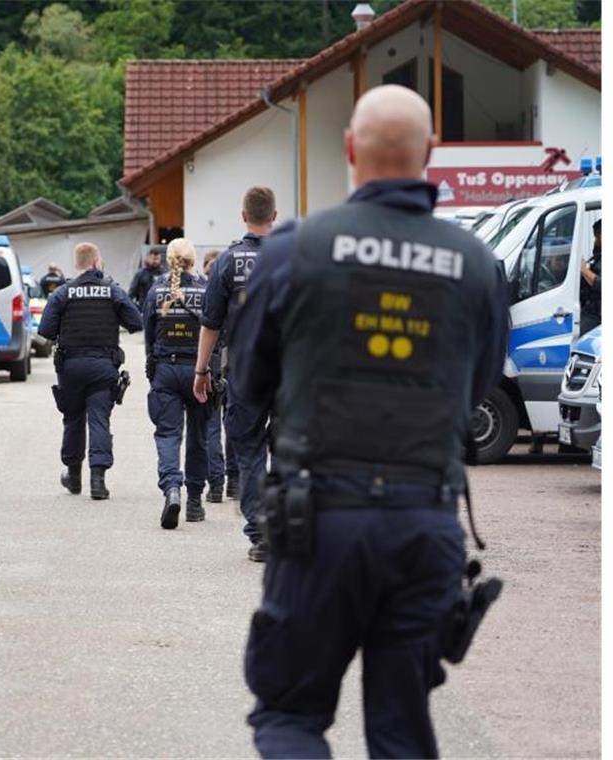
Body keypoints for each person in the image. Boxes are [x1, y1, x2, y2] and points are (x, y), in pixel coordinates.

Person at [231, 85, 509, 758]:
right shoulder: (479, 267)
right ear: (431, 154)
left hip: (317, 521)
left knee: (291, 718)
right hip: (424, 527)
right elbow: (476, 391)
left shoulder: (296, 249)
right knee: (401, 734)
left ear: (350, 149)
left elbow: (249, 384)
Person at [193, 186, 278, 562]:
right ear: (274, 216)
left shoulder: (228, 261)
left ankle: (261, 534)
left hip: (245, 369)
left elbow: (210, 323)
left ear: (244, 216)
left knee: (249, 449)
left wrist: (200, 371)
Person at [38, 242, 143, 499]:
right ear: (97, 262)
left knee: (73, 419)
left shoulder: (63, 292)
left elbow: (45, 331)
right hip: (102, 367)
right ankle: (98, 481)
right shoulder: (112, 291)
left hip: (71, 367)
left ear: (77, 264)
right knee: (99, 420)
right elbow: (136, 322)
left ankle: (73, 477)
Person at [143, 239, 210, 528]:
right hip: (198, 370)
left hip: (165, 370)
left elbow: (148, 333)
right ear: (193, 260)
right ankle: (194, 502)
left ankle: (172, 490)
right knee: (198, 436)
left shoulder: (156, 290)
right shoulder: (207, 289)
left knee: (169, 434)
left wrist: (152, 367)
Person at [201, 249, 238, 503]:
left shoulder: (202, 291)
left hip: (213, 362)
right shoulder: (237, 286)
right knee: (233, 421)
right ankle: (234, 482)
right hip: (234, 360)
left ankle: (215, 484)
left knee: (212, 425)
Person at [579, 218, 601, 333]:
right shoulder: (598, 255)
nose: (595, 241)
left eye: (597, 237)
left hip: (598, 314)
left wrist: (584, 270)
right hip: (589, 308)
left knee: (578, 331)